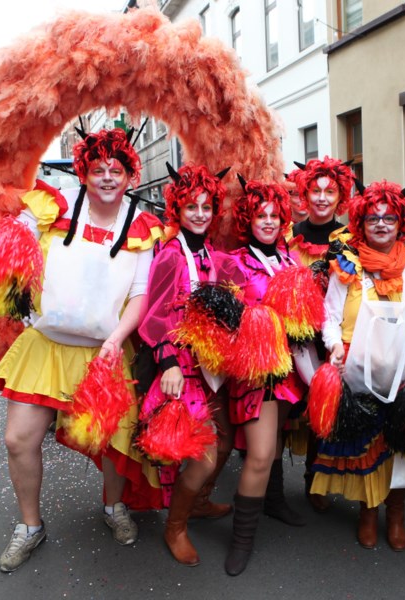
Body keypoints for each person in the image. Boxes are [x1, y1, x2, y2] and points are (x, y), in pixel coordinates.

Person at [0, 128, 163, 572]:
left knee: (111, 442)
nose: (107, 177)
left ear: (129, 176)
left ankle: (113, 507)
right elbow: (13, 250)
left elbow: (141, 294)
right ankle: (30, 526)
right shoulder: (56, 204)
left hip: (103, 353)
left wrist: (116, 340)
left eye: (116, 170)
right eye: (98, 169)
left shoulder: (141, 224)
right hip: (45, 347)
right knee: (18, 439)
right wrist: (17, 296)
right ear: (84, 171)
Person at [314, 180, 405, 552]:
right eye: (372, 219)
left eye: (389, 218)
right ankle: (369, 511)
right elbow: (330, 316)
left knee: (397, 443)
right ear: (361, 224)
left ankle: (395, 514)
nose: (381, 224)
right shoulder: (346, 264)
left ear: (401, 223)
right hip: (357, 369)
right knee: (366, 444)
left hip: (403, 370)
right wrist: (334, 345)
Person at [137, 163, 236, 566]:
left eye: (206, 207)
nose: (198, 213)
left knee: (228, 442)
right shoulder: (171, 256)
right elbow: (154, 316)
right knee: (206, 455)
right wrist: (169, 365)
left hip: (215, 370)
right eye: (191, 206)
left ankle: (197, 502)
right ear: (177, 209)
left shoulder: (215, 256)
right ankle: (175, 525)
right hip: (183, 370)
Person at [224, 176, 306, 576]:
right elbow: (223, 322)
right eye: (261, 215)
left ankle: (273, 502)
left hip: (289, 370)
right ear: (248, 219)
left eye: (275, 215)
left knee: (275, 447)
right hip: (255, 373)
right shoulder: (234, 262)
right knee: (258, 455)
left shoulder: (291, 261)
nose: (270, 221)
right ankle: (241, 541)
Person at [285, 156, 356, 514]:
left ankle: (318, 477)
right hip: (295, 336)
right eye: (316, 191)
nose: (323, 198)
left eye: (330, 192)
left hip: (333, 337)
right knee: (289, 411)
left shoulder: (350, 239)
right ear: (305, 194)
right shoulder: (288, 238)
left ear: (340, 196)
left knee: (324, 411)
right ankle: (272, 487)